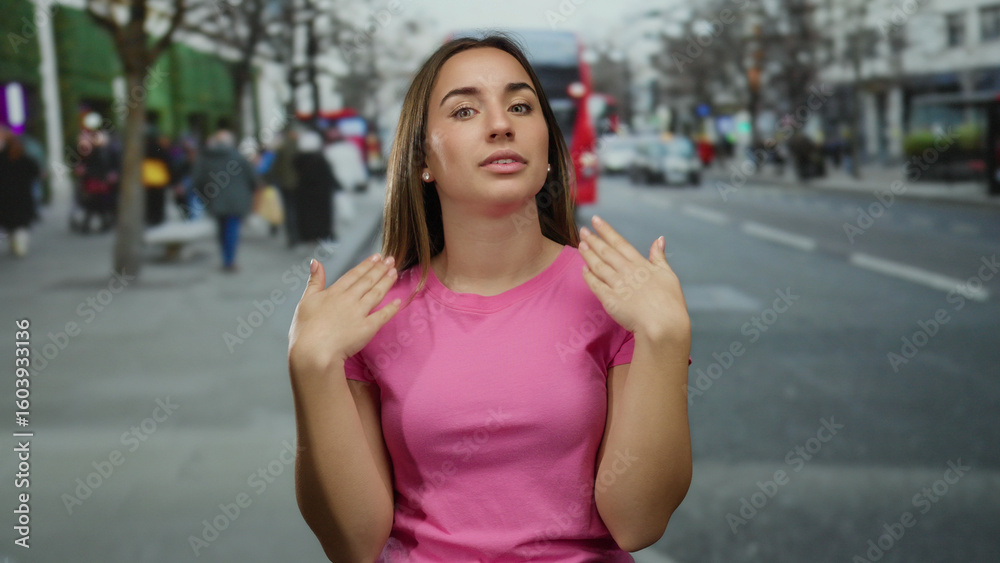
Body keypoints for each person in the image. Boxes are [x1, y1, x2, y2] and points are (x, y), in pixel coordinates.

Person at [287, 34, 692, 561]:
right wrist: (311, 368)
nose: (501, 124)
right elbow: (353, 545)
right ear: (423, 159)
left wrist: (666, 339)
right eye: (464, 111)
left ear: (547, 149)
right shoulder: (372, 314)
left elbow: (638, 522)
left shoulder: (615, 295)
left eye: (521, 106)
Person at [191, 129, 259, 272]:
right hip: (237, 200)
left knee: (221, 228)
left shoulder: (206, 158)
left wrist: (205, 194)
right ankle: (229, 260)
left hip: (215, 199)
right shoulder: (239, 157)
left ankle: (226, 257)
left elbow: (198, 179)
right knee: (232, 228)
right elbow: (252, 179)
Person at [0, 126, 41, 256]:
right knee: (21, 224)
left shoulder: (2, 159)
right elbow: (36, 172)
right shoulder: (25, 159)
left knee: (10, 222)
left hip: (5, 197)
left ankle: (15, 243)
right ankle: (20, 246)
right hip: (23, 196)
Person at [293, 129, 338, 244]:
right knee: (322, 217)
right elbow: (328, 176)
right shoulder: (320, 160)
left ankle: (309, 237)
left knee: (307, 217)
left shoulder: (298, 161)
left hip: (304, 194)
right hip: (321, 195)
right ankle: (323, 236)